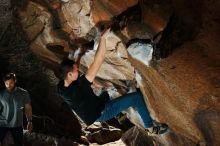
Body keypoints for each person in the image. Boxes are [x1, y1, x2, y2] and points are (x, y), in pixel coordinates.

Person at [57, 28, 168, 136]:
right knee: (137, 98)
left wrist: (80, 55)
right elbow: (98, 61)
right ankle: (150, 128)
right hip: (101, 112)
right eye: (76, 70)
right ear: (69, 74)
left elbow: (72, 68)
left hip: (95, 105)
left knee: (109, 91)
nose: (78, 70)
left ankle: (119, 115)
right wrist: (103, 38)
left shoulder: (62, 86)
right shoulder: (79, 88)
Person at [0, 73, 33, 146]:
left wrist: (29, 121)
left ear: (15, 81)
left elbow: (28, 108)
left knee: (19, 144)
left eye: (11, 83)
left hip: (17, 124)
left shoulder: (23, 93)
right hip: (2, 124)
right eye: (6, 83)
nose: (8, 85)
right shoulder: (1, 94)